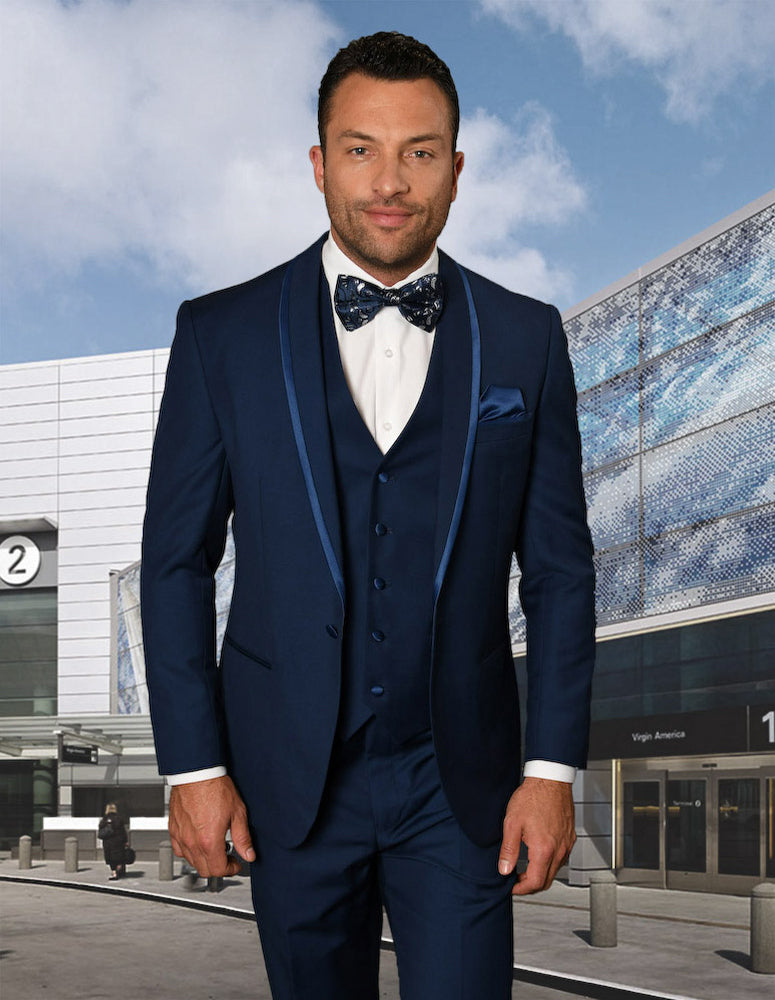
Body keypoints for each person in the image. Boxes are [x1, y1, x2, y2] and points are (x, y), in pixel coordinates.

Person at [141, 31, 595, 1000]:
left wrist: (551, 769)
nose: (389, 181)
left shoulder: (526, 337)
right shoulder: (219, 335)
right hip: (284, 782)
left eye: (418, 151)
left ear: (456, 169)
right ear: (317, 163)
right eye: (360, 148)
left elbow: (558, 571)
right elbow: (176, 561)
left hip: (461, 784)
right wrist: (192, 766)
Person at [97, 803, 128, 880]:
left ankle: (114, 872)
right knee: (119, 857)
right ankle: (119, 868)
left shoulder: (104, 819)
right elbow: (123, 831)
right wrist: (126, 841)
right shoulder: (119, 818)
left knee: (110, 857)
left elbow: (100, 829)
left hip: (108, 841)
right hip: (118, 841)